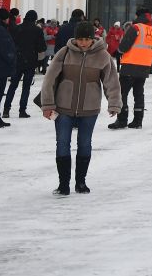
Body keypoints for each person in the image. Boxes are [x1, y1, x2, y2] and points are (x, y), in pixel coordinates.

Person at [39, 20, 121, 196]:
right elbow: (49, 80)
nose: (83, 43)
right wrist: (48, 104)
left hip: (89, 109)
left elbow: (111, 82)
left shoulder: (103, 56)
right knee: (62, 144)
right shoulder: (65, 52)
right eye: (80, 39)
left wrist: (114, 103)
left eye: (86, 39)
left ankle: (81, 182)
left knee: (84, 144)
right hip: (63, 108)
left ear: (93, 38)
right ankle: (63, 184)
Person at [109, 9, 152, 130]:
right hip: (144, 67)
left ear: (138, 16)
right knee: (138, 94)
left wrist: (118, 51)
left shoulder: (136, 28)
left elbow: (124, 46)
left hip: (130, 65)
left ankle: (122, 120)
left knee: (122, 94)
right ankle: (137, 121)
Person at [5, 10, 46, 119]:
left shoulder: (17, 28)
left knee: (12, 86)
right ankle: (22, 110)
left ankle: (6, 109)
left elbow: (11, 43)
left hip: (17, 60)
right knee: (26, 87)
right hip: (30, 61)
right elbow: (42, 47)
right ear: (35, 19)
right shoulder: (37, 30)